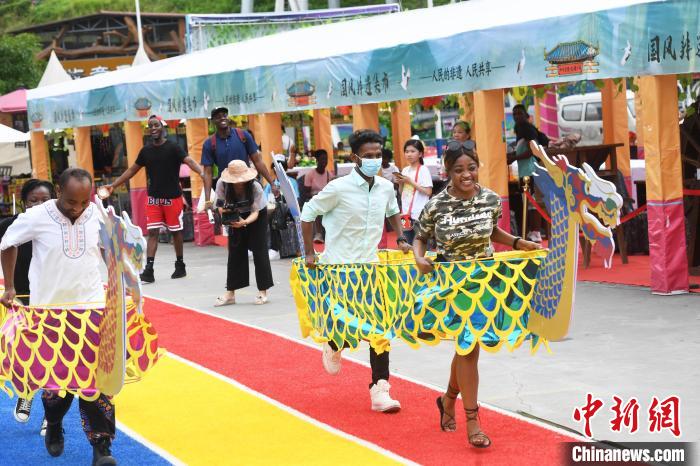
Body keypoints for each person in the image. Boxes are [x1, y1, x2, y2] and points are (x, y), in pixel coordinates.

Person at [412, 141, 540, 449]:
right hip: (451, 283)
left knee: (467, 347)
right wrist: (419, 257)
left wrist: (517, 242)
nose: (465, 175)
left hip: (485, 280)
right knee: (468, 348)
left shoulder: (490, 198)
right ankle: (473, 421)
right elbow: (420, 237)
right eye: (458, 170)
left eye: (471, 168)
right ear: (448, 171)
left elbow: (491, 231)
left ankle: (447, 400)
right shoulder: (436, 205)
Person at [1, 168, 118, 465]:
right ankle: (53, 423)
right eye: (70, 203)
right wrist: (11, 285)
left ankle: (101, 448)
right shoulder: (37, 216)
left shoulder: (98, 214)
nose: (77, 210)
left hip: (91, 311)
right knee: (55, 387)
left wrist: (120, 281)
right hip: (48, 314)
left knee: (96, 384)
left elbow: (110, 250)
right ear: (57, 191)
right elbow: (7, 243)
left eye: (83, 203)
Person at [300, 129, 411, 413]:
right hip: (339, 267)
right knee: (347, 324)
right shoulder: (338, 188)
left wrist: (400, 236)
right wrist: (310, 252)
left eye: (378, 155)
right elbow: (308, 213)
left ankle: (380, 389)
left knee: (380, 328)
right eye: (369, 156)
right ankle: (334, 344)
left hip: (370, 268)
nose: (375, 160)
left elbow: (392, 210)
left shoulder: (386, 187)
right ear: (355, 158)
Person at [102, 115, 206, 283]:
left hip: (172, 198)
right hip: (154, 199)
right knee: (152, 232)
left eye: (156, 125)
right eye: (150, 126)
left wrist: (202, 172)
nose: (153, 128)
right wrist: (113, 184)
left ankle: (180, 264)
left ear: (162, 127)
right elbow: (131, 171)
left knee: (176, 232)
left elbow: (189, 161)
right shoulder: (146, 151)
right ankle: (149, 270)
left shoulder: (173, 148)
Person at [0, 179, 55, 424]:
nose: (39, 205)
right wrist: (9, 287)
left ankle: (52, 416)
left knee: (54, 355)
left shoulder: (60, 226)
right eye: (33, 200)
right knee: (27, 353)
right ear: (23, 203)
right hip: (22, 301)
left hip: (55, 300)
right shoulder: (11, 226)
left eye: (45, 200)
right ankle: (26, 393)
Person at [214, 160, 273, 306]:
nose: (239, 183)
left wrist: (244, 222)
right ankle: (231, 293)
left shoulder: (255, 186)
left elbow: (255, 212)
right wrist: (231, 217)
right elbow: (220, 206)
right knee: (235, 251)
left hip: (255, 216)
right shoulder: (222, 184)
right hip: (234, 214)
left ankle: (263, 291)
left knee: (259, 251)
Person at [201, 107, 278, 211]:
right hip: (225, 188)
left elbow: (258, 161)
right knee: (229, 220)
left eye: (224, 115)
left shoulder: (243, 135)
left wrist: (272, 184)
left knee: (256, 214)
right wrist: (207, 200)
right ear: (213, 121)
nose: (222, 118)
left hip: (247, 185)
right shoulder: (209, 144)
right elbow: (208, 173)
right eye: (218, 117)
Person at [508, 104, 550, 243]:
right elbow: (522, 149)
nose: (516, 116)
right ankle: (533, 232)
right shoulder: (521, 129)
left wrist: (514, 157)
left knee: (532, 202)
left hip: (531, 170)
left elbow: (532, 150)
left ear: (526, 115)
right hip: (524, 170)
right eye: (514, 114)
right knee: (528, 202)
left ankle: (536, 233)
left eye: (519, 113)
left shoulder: (527, 129)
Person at [394, 140, 433, 244]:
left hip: (419, 215)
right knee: (408, 245)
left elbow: (428, 192)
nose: (409, 154)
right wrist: (401, 183)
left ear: (420, 154)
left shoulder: (423, 170)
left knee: (422, 246)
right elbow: (401, 192)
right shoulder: (405, 170)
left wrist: (410, 181)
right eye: (406, 151)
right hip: (406, 214)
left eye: (412, 151)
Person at [303, 149, 333, 243]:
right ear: (317, 161)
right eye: (322, 159)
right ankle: (318, 234)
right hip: (314, 199)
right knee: (318, 207)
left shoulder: (329, 175)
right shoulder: (310, 174)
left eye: (326, 159)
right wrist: (316, 195)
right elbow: (305, 193)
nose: (324, 162)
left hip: (326, 200)